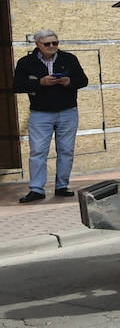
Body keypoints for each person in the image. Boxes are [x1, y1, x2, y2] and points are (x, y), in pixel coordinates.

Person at [14, 30, 89, 203]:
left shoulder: (69, 59)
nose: (52, 47)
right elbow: (17, 85)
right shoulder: (26, 63)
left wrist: (69, 82)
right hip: (40, 113)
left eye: (55, 43)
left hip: (68, 111)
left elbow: (83, 80)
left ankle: (62, 186)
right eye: (47, 44)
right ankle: (37, 189)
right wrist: (40, 82)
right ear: (37, 44)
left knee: (66, 150)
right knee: (38, 151)